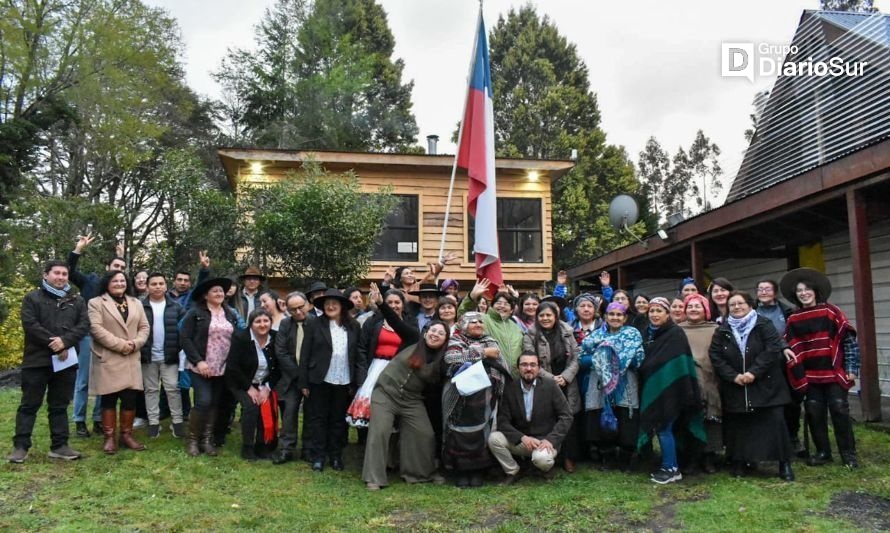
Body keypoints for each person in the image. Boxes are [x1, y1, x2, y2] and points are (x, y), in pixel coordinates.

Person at [362, 299, 450, 490]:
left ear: (445, 340)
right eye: (433, 330)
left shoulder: (442, 360)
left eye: (441, 333)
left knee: (425, 434)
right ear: (426, 332)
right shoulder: (412, 338)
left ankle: (419, 473)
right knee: (380, 431)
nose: (435, 334)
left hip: (411, 400)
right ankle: (374, 478)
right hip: (385, 393)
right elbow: (396, 322)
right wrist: (381, 304)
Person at [9, 260, 90, 463]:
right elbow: (30, 324)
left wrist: (65, 342)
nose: (61, 277)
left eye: (64, 274)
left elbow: (83, 325)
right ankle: (20, 447)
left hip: (66, 362)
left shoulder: (77, 301)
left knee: (59, 406)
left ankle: (60, 446)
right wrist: (55, 344)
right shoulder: (32, 298)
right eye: (57, 273)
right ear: (46, 275)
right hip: (37, 361)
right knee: (29, 405)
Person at [710, 291, 794, 481]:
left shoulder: (764, 324)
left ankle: (784, 464)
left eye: (741, 303)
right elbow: (716, 356)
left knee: (775, 425)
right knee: (741, 427)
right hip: (737, 386)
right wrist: (734, 376)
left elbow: (772, 349)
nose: (737, 307)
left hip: (767, 385)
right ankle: (741, 461)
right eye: (732, 305)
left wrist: (753, 372)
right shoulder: (722, 330)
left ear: (750, 305)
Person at [781, 268, 860, 468]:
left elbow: (848, 341)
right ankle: (823, 452)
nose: (803, 293)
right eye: (799, 290)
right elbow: (789, 345)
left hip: (834, 372)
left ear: (815, 291)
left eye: (807, 289)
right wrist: (786, 353)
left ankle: (848, 454)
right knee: (814, 412)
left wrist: (852, 367)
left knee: (839, 410)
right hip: (810, 375)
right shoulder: (793, 319)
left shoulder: (831, 312)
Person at [638, 297, 706, 484]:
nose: (654, 314)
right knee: (662, 428)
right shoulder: (647, 333)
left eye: (659, 310)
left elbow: (677, 363)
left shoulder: (675, 333)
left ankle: (671, 468)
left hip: (673, 389)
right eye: (652, 311)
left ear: (667, 314)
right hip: (653, 386)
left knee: (664, 427)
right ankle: (671, 464)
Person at [67, 233, 127, 437]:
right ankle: (79, 421)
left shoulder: (119, 292)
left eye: (122, 269)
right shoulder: (91, 282)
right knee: (83, 379)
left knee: (105, 380)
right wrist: (78, 250)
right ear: (107, 268)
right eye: (115, 266)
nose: (118, 271)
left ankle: (99, 419)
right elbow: (70, 271)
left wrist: (121, 254)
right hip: (87, 337)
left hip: (110, 338)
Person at [442, 311, 512, 488]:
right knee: (459, 433)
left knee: (481, 434)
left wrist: (484, 352)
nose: (479, 325)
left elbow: (502, 364)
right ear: (464, 325)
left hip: (486, 398)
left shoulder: (490, 341)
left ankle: (477, 471)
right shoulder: (457, 340)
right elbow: (451, 358)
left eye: (481, 322)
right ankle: (461, 471)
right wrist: (482, 353)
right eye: (473, 322)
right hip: (461, 400)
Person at [298, 289, 361, 472]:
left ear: (342, 306)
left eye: (334, 303)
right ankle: (318, 456)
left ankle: (335, 456)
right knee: (318, 419)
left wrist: (356, 382)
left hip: (344, 380)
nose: (331, 307)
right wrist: (304, 382)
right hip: (319, 379)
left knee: (338, 419)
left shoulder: (353, 326)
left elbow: (357, 355)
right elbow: (305, 354)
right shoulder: (314, 324)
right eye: (327, 304)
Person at [88, 271, 151, 454]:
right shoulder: (96, 303)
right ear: (107, 283)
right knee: (109, 399)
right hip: (110, 357)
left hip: (131, 356)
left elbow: (144, 327)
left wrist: (135, 343)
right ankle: (109, 438)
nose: (119, 283)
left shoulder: (135, 302)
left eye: (122, 280)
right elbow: (96, 329)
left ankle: (126, 435)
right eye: (115, 280)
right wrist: (121, 345)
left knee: (130, 399)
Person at [488, 353, 573, 485]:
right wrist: (522, 437)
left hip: (545, 441)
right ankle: (514, 471)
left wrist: (551, 440)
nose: (528, 368)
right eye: (524, 365)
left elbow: (566, 416)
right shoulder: (510, 388)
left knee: (542, 459)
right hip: (523, 441)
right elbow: (502, 420)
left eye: (533, 365)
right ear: (518, 368)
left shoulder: (550, 386)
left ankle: (544, 469)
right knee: (493, 439)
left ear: (539, 368)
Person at [580, 302, 645, 471]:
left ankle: (625, 460)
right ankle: (607, 458)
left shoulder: (632, 335)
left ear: (625, 318)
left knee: (626, 418)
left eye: (619, 315)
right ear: (605, 317)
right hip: (600, 384)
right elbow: (582, 358)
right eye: (611, 314)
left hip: (625, 384)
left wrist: (607, 358)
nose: (615, 317)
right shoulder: (594, 337)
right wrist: (606, 359)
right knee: (600, 418)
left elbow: (638, 359)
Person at [180, 277, 239, 457]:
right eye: (215, 291)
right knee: (203, 401)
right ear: (206, 295)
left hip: (222, 367)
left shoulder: (229, 313)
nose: (220, 293)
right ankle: (192, 440)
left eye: (221, 291)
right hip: (201, 366)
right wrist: (198, 361)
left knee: (214, 403)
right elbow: (185, 337)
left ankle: (206, 440)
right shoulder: (195, 312)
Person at [522, 301, 581, 472]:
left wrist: (566, 377)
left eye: (549, 315)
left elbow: (577, 356)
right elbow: (530, 361)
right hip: (544, 382)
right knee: (549, 420)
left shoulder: (567, 332)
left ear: (555, 316)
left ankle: (569, 457)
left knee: (568, 417)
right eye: (542, 315)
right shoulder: (530, 335)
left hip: (567, 382)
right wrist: (551, 379)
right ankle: (550, 455)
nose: (545, 318)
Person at [349, 287, 417, 429]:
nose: (393, 305)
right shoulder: (373, 321)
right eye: (389, 302)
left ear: (403, 304)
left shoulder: (411, 323)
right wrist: (362, 375)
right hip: (375, 369)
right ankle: (368, 444)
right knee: (373, 405)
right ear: (383, 304)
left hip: (398, 371)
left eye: (397, 302)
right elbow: (362, 348)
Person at [754, 278, 802, 455]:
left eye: (767, 289)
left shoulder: (787, 311)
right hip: (760, 363)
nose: (763, 292)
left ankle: (792, 436)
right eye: (760, 289)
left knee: (791, 401)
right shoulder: (751, 311)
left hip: (785, 362)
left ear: (775, 293)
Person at [225, 309, 280, 460]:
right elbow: (232, 366)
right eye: (258, 321)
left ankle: (262, 445)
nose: (262, 325)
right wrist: (249, 388)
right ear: (251, 324)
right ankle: (247, 446)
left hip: (264, 383)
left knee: (265, 405)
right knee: (251, 407)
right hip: (240, 381)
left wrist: (267, 388)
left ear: (271, 322)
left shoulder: (276, 338)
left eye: (265, 321)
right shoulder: (240, 337)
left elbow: (279, 367)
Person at [678, 293, 721, 473]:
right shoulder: (678, 330)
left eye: (698, 306)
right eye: (690, 306)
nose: (694, 309)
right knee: (690, 419)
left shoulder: (716, 329)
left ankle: (709, 457)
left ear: (705, 310)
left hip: (711, 379)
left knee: (710, 419)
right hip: (687, 380)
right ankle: (692, 458)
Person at [140, 273, 186, 439]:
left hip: (169, 357)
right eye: (154, 284)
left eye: (161, 283)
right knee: (151, 390)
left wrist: (177, 348)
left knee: (173, 389)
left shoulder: (176, 307)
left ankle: (177, 422)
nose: (158, 286)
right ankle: (153, 423)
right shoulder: (140, 306)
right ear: (147, 287)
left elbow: (185, 330)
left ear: (166, 286)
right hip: (147, 356)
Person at [271, 291, 313, 465]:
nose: (297, 312)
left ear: (308, 305)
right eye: (292, 309)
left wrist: (307, 377)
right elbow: (280, 351)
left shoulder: (317, 323)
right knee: (289, 413)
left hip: (313, 379)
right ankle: (287, 448)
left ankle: (308, 449)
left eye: (300, 307)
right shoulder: (285, 324)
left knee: (311, 414)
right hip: (291, 378)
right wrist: (298, 375)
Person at [458, 279, 524, 369]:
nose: (502, 306)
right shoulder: (483, 319)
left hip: (515, 378)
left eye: (506, 304)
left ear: (512, 309)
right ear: (492, 306)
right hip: (491, 375)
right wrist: (471, 298)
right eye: (498, 303)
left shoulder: (517, 328)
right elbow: (463, 317)